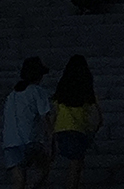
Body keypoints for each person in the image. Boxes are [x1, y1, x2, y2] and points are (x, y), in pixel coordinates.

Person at [52, 55, 103, 189]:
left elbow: (55, 111)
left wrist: (51, 132)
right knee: (76, 166)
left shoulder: (62, 89)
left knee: (75, 164)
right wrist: (93, 130)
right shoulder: (86, 89)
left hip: (61, 128)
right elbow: (97, 115)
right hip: (78, 129)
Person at [2, 57, 52, 189]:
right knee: (44, 167)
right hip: (30, 140)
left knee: (18, 180)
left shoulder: (12, 95)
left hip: (10, 142)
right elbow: (45, 118)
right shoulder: (37, 91)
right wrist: (51, 138)